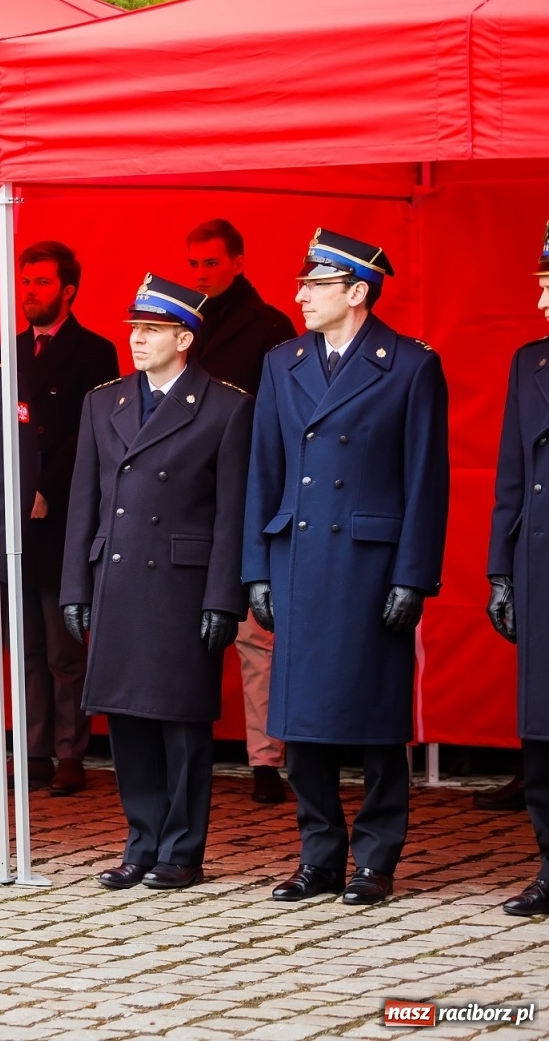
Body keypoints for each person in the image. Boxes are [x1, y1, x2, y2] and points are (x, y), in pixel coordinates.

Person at [246, 229, 448, 906]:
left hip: (369, 566)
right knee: (301, 726)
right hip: (299, 557)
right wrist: (256, 569)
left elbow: (426, 481)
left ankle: (377, 860)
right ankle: (319, 857)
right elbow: (263, 470)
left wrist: (413, 575)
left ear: (356, 292)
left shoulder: (410, 365)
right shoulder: (283, 362)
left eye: (316, 284)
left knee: (375, 725)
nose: (300, 295)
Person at [61, 275, 253, 891]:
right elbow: (83, 502)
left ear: (183, 337)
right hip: (115, 578)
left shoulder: (225, 405)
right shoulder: (105, 400)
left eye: (150, 331)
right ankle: (141, 840)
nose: (136, 341)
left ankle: (182, 850)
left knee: (181, 725)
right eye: (133, 330)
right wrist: (74, 587)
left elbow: (232, 513)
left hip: (181, 586)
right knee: (125, 721)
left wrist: (224, 596)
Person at [185, 219, 298, 806]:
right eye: (194, 265)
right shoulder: (186, 320)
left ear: (237, 261)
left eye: (210, 263)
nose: (201, 274)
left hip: (251, 489)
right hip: (190, 492)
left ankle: (265, 760)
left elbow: (283, 416)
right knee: (188, 629)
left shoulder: (272, 326)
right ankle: (184, 749)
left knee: (256, 637)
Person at [15, 242, 120, 795]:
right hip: (16, 522)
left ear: (68, 291)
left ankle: (69, 752)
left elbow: (91, 433)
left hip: (62, 519)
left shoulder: (95, 352)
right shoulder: (7, 354)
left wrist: (45, 488)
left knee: (63, 648)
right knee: (26, 647)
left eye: (40, 282)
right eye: (24, 280)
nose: (28, 290)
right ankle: (32, 750)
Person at [482, 222, 549, 917]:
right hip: (539, 564)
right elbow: (510, 474)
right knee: (541, 726)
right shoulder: (529, 363)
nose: (541, 299)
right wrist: (500, 570)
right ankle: (548, 863)